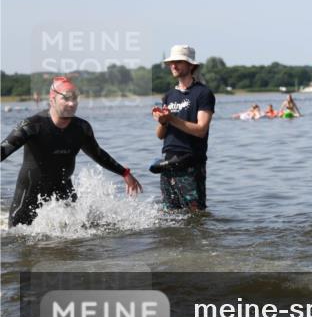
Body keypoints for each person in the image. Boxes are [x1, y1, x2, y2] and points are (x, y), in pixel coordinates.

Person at [1, 77, 142, 227]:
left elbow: (98, 154)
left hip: (63, 189)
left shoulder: (81, 128)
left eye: (75, 98)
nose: (72, 103)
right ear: (52, 99)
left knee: (79, 233)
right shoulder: (32, 125)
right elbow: (3, 150)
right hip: (29, 192)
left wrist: (125, 173)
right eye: (66, 98)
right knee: (16, 236)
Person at [152, 45, 215, 211]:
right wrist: (163, 121)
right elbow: (160, 135)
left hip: (191, 162)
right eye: (171, 62)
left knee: (196, 215)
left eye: (178, 62)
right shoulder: (168, 95)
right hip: (168, 162)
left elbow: (201, 129)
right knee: (169, 215)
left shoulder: (203, 93)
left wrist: (171, 118)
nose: (173, 65)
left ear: (191, 65)